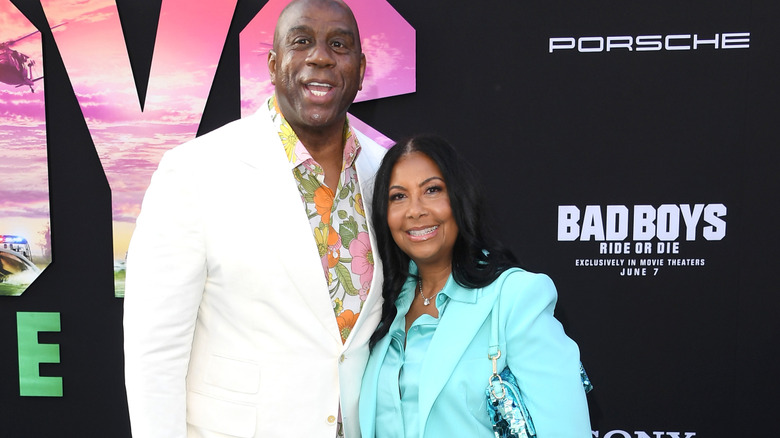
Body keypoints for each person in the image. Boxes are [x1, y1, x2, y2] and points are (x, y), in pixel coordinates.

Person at [123, 1, 386, 437]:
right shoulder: (194, 171)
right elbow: (155, 353)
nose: (320, 56)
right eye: (301, 42)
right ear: (273, 64)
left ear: (360, 70)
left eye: (338, 44)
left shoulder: (386, 174)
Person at [358, 134, 591, 437]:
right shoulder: (379, 303)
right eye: (398, 196)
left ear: (460, 198)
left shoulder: (516, 297)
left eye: (432, 190)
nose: (415, 210)